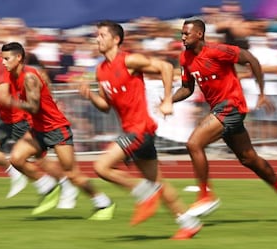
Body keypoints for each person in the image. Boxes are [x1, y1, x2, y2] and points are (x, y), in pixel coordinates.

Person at [79, 20, 202, 239]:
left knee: (101, 167)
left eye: (101, 35)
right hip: (133, 131)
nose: (96, 39)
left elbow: (165, 67)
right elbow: (106, 107)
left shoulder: (129, 60)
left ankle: (144, 194)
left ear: (115, 39)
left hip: (140, 130)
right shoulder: (100, 71)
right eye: (96, 35)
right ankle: (188, 222)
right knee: (159, 183)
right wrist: (91, 96)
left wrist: (167, 100)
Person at [172, 19, 277, 222]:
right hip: (220, 110)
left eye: (187, 33)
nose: (183, 37)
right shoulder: (185, 58)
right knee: (248, 159)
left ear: (199, 34)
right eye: (182, 33)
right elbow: (187, 88)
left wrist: (261, 93)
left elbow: (251, 59)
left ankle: (205, 196)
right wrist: (167, 100)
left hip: (232, 106)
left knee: (194, 143)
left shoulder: (217, 50)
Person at [0, 41, 115, 218]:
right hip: (38, 129)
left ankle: (103, 202)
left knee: (72, 174)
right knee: (16, 159)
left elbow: (34, 107)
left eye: (6, 59)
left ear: (18, 58)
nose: (3, 63)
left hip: (56, 129)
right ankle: (48, 187)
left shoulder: (29, 77)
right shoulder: (13, 75)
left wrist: (11, 102)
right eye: (1, 59)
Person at [0, 37, 80, 211]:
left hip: (20, 119)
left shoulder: (1, 67)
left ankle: (65, 185)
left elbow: (3, 94)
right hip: (5, 119)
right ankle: (17, 173)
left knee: (41, 161)